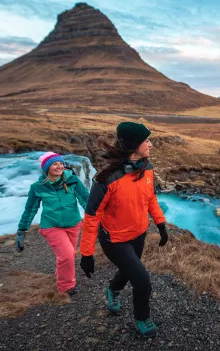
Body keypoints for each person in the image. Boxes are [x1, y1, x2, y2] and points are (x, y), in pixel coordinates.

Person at [79, 121, 168, 338]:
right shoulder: (106, 178)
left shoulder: (147, 168)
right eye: (146, 140)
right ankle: (143, 319)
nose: (150, 145)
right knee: (142, 279)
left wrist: (161, 224)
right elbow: (91, 218)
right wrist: (87, 254)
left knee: (130, 271)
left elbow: (150, 198)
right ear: (133, 144)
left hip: (139, 234)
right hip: (114, 240)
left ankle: (112, 290)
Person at [15, 152, 89, 295]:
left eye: (61, 163)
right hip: (51, 226)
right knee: (67, 256)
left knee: (68, 255)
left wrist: (97, 219)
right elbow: (30, 209)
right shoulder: (38, 187)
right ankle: (65, 286)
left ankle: (61, 274)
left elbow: (85, 199)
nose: (59, 166)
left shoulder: (72, 180)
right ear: (47, 167)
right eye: (55, 164)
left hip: (73, 224)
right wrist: (21, 230)